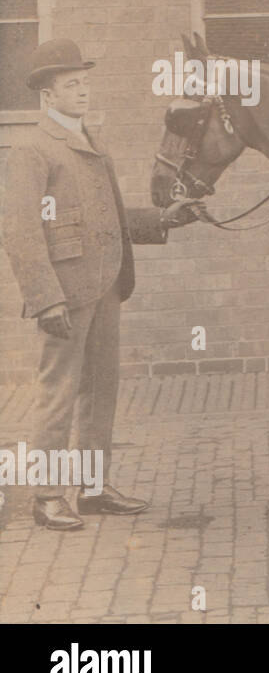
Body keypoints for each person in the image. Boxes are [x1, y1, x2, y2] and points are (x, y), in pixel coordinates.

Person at [2, 39, 158, 530]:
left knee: (99, 389)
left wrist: (164, 219)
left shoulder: (89, 138)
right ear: (48, 96)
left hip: (106, 284)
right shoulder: (31, 148)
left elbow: (103, 215)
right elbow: (19, 228)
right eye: (72, 85)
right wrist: (45, 297)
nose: (84, 91)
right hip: (65, 293)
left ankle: (92, 488)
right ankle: (47, 496)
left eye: (86, 82)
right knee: (59, 392)